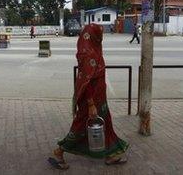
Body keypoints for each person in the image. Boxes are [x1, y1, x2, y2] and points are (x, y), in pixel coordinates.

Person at [48, 24, 129, 170]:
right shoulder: (89, 54)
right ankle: (58, 152)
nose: (101, 38)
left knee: (107, 125)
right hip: (91, 101)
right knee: (80, 127)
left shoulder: (94, 49)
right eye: (99, 34)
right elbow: (87, 81)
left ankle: (111, 155)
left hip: (100, 98)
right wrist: (91, 104)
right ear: (92, 36)